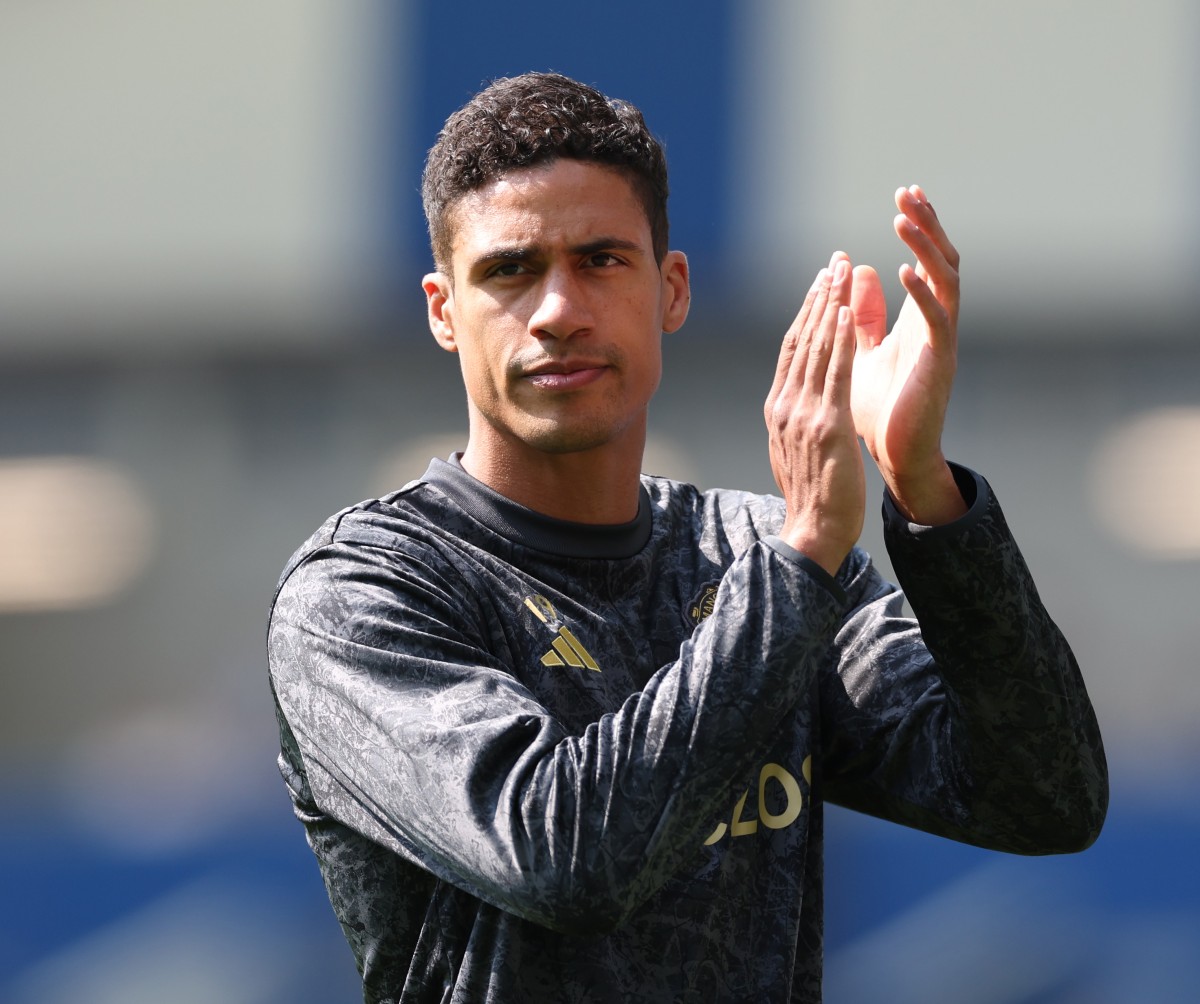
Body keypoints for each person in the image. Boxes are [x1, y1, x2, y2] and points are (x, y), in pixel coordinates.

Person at [267, 71, 1107, 1003]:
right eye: (510, 270)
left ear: (671, 289)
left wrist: (925, 492)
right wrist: (796, 572)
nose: (557, 310)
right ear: (441, 311)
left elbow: (1044, 797)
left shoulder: (749, 550)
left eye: (601, 260)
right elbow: (564, 859)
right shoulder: (362, 591)